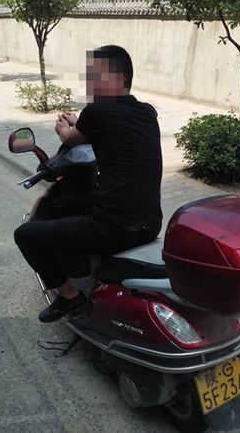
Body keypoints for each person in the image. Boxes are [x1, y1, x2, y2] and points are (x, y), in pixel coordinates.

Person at [14, 45, 163, 323]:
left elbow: (70, 138)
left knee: (25, 235)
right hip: (151, 223)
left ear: (119, 78)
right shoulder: (146, 112)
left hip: (113, 229)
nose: (90, 84)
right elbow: (107, 131)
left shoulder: (97, 112)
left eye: (95, 76)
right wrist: (80, 123)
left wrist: (65, 128)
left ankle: (70, 297)